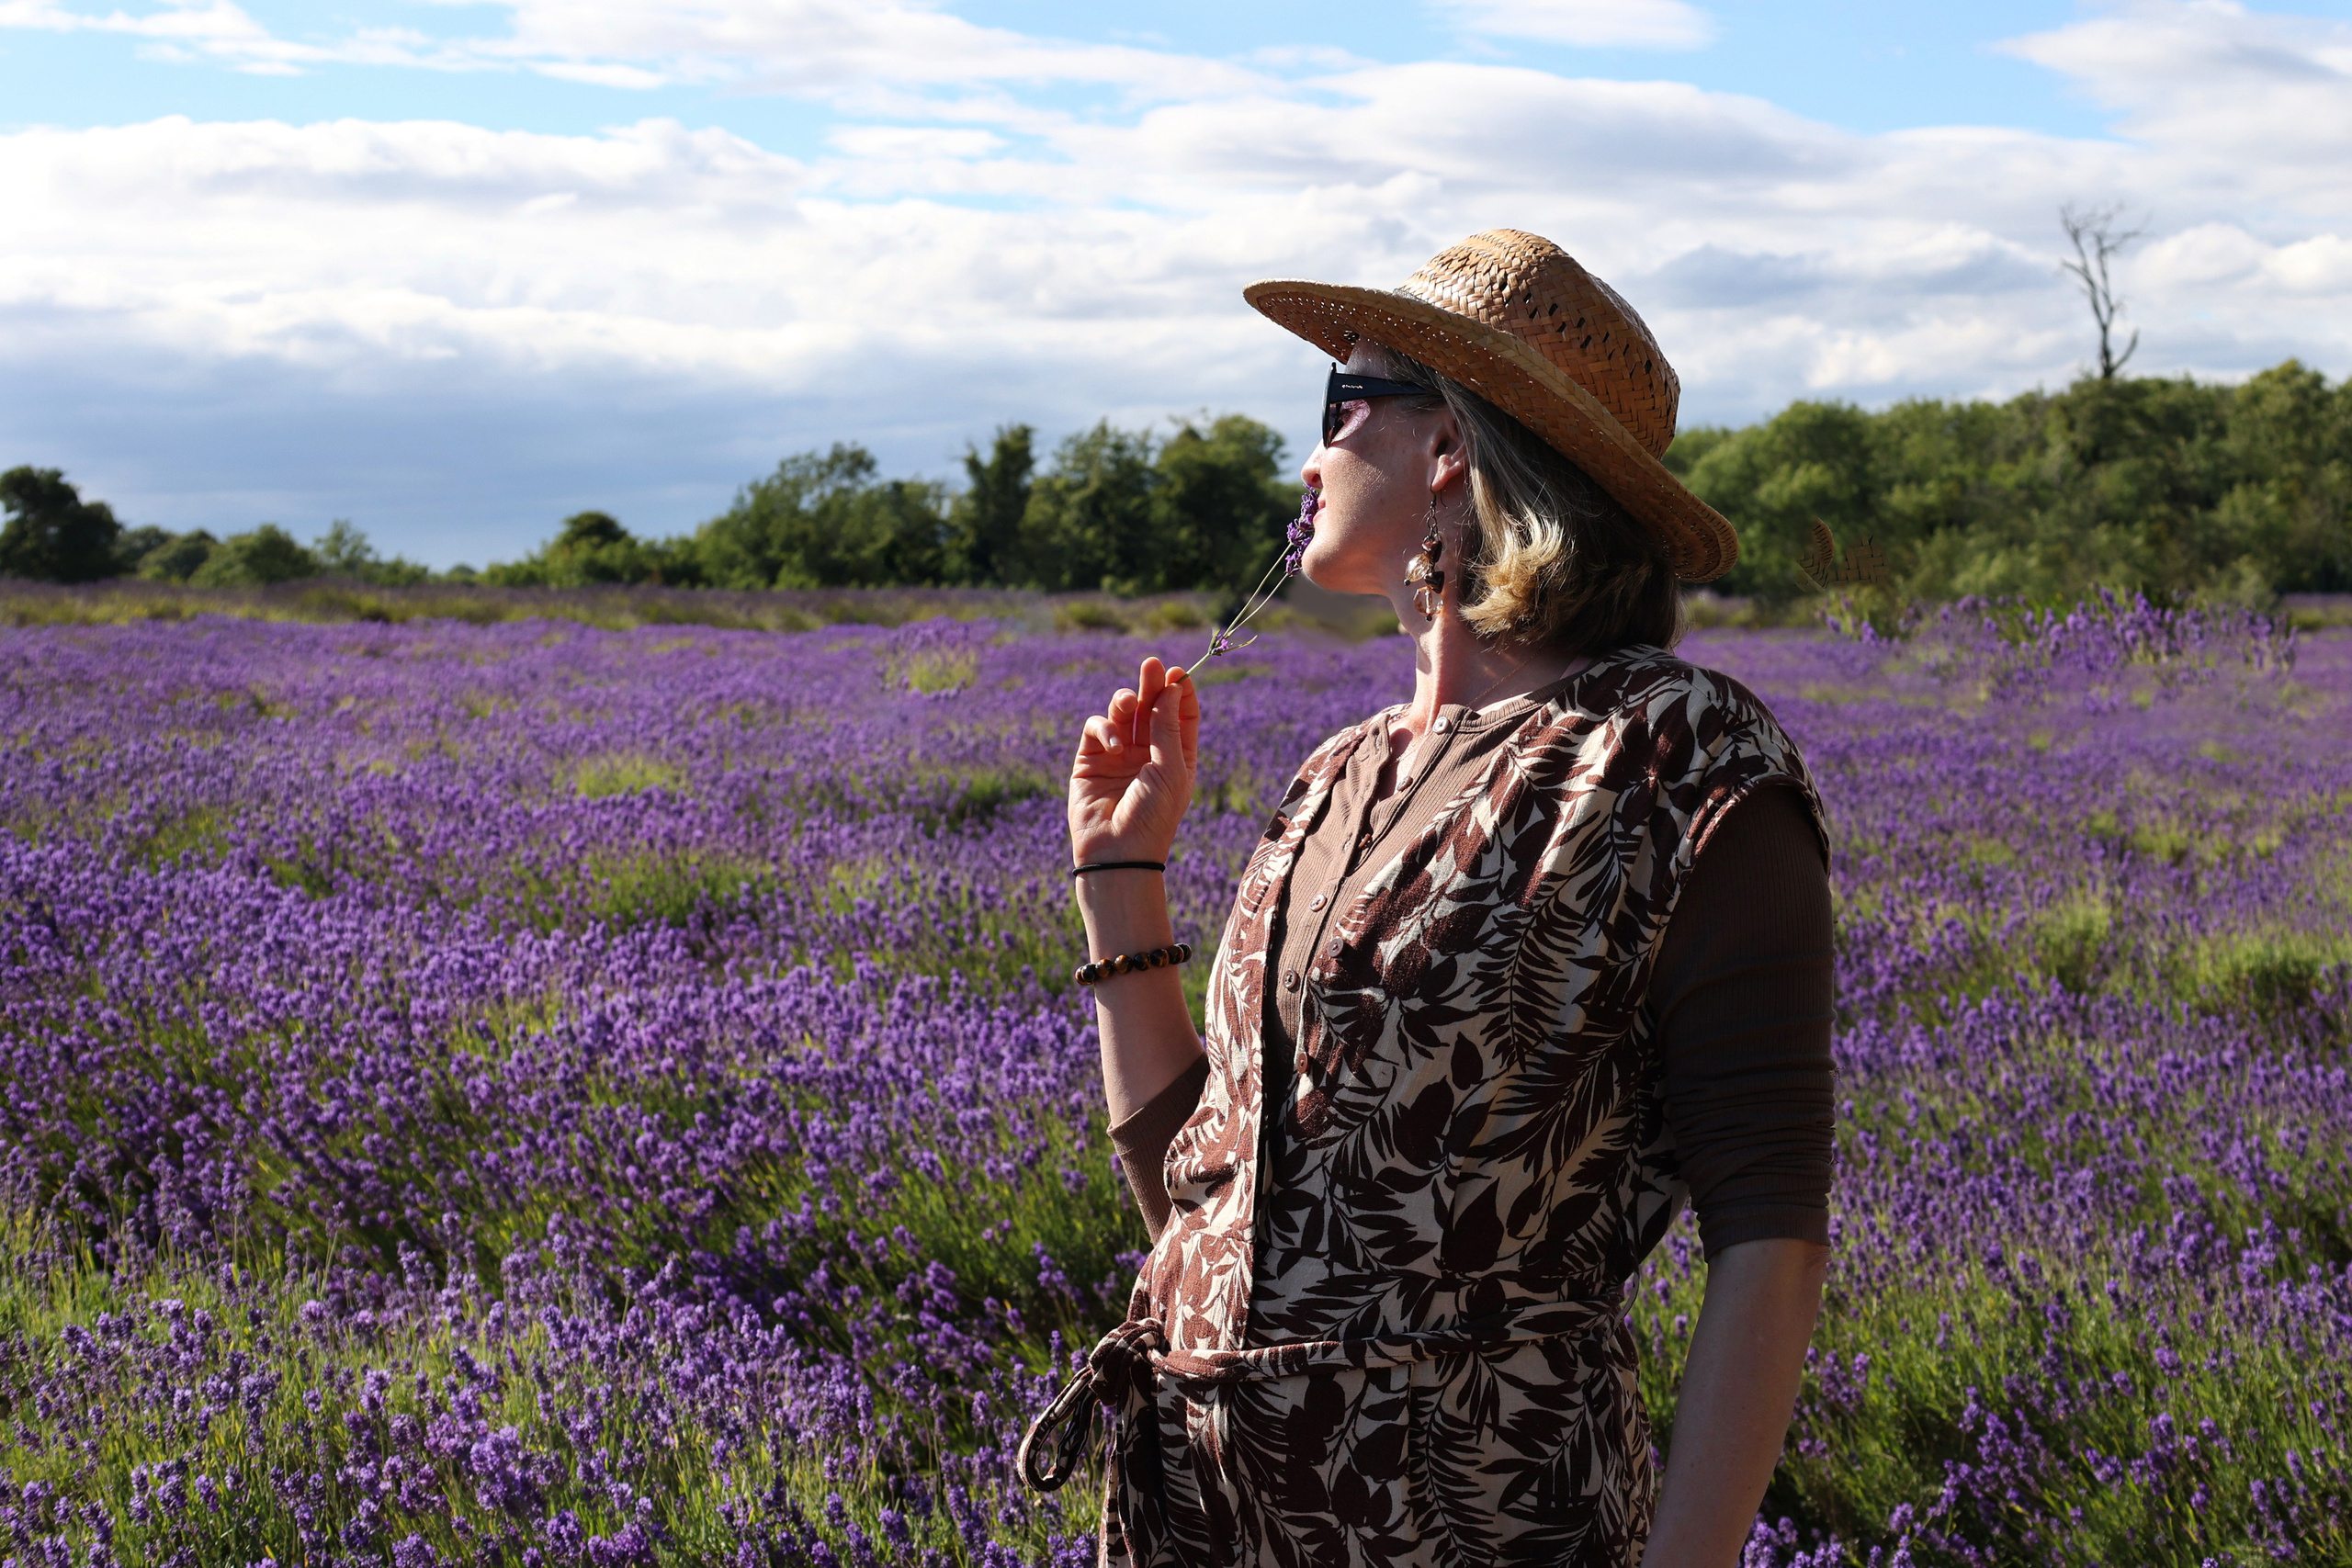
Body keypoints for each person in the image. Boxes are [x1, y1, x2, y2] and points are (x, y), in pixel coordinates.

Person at [1024, 230, 1835, 1568]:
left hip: (1476, 1521)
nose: (1311, 453)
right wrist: (1120, 883)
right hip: (1204, 1522)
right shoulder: (1336, 776)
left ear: (1451, 442)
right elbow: (1211, 1205)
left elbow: (1773, 1237)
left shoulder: (1673, 759)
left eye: (1342, 403)